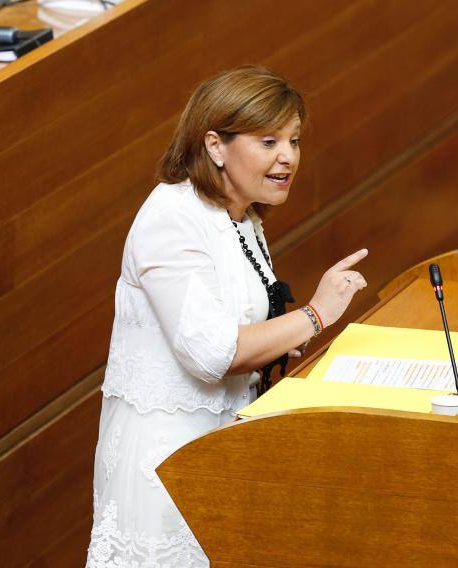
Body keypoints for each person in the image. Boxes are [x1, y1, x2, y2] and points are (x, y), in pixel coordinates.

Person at [86, 65, 368, 567]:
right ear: (215, 146)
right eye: (268, 141)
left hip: (220, 451)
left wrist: (279, 337)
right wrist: (317, 314)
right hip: (167, 467)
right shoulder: (171, 218)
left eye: (294, 140)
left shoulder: (241, 216)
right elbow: (212, 353)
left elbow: (237, 322)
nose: (288, 157)